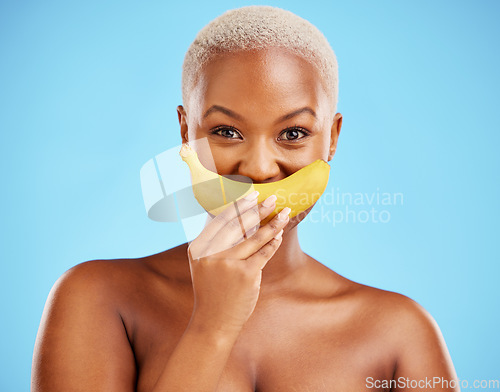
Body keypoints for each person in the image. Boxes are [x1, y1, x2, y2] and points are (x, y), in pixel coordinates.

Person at [31, 5, 459, 392]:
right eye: (225, 131)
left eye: (293, 134)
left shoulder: (400, 332)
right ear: (185, 131)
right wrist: (211, 327)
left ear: (333, 139)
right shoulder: (98, 300)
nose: (258, 168)